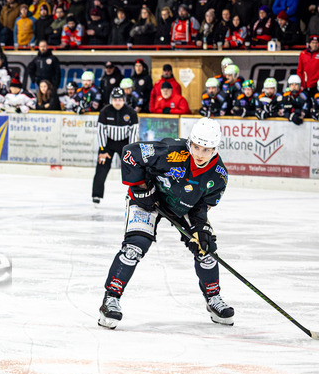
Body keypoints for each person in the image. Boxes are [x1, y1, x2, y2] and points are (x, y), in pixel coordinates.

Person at [98, 118, 234, 329]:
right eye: (196, 146)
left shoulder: (218, 176)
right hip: (147, 199)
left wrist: (200, 228)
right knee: (134, 247)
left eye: (206, 149)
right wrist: (141, 188)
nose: (199, 153)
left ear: (215, 149)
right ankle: (110, 299)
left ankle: (213, 298)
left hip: (184, 206)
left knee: (206, 250)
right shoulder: (171, 150)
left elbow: (202, 206)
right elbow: (130, 153)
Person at [92, 88, 140, 204]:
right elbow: (100, 131)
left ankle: (137, 194)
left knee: (133, 168)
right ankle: (96, 195)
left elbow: (134, 132)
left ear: (124, 100)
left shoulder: (131, 112)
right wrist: (103, 149)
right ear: (111, 100)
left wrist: (131, 150)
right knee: (101, 168)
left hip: (125, 143)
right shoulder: (104, 111)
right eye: (114, 99)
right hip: (108, 144)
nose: (117, 102)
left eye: (119, 99)